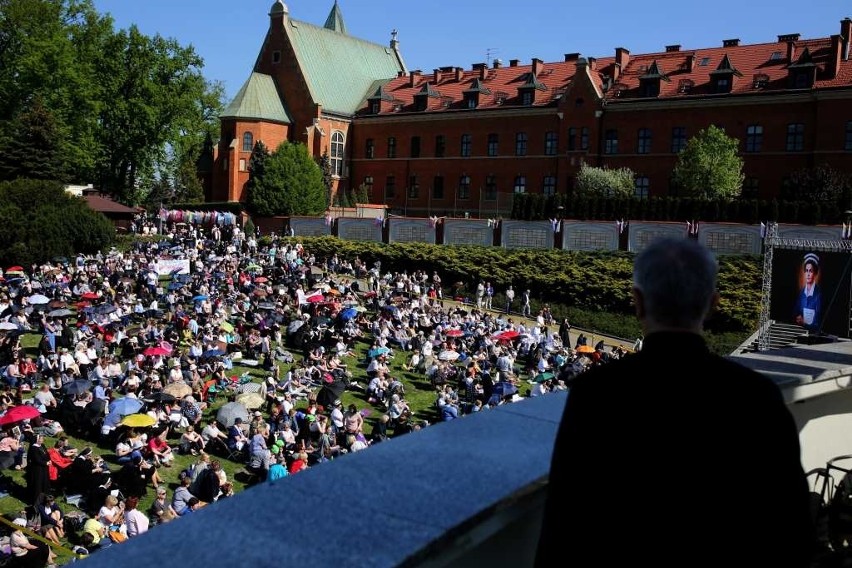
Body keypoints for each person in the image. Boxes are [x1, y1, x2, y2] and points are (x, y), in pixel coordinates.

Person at [535, 237, 814, 567]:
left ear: (637, 302)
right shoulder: (757, 396)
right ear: (713, 303)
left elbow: (563, 526)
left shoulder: (595, 393)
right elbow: (792, 528)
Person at [794, 252, 823, 332]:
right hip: (801, 331)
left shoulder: (818, 294)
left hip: (814, 333)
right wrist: (798, 317)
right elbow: (796, 311)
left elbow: (817, 321)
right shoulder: (802, 292)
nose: (808, 274)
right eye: (806, 271)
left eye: (811, 271)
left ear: (815, 273)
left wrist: (805, 323)